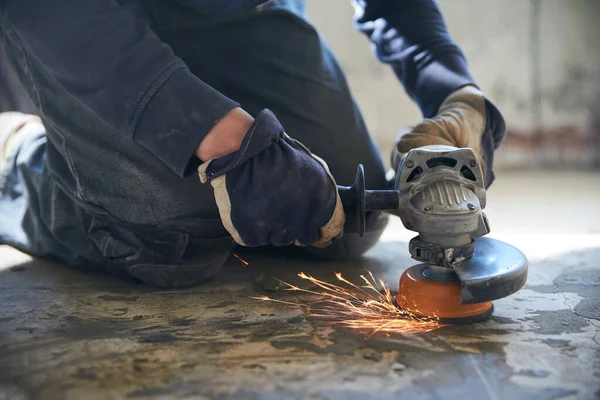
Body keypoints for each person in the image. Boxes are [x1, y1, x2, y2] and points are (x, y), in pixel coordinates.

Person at [0, 0, 505, 287]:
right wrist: (228, 139)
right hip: (85, 19)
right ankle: (17, 159)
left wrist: (455, 93)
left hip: (240, 10)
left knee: (347, 221)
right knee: (168, 235)